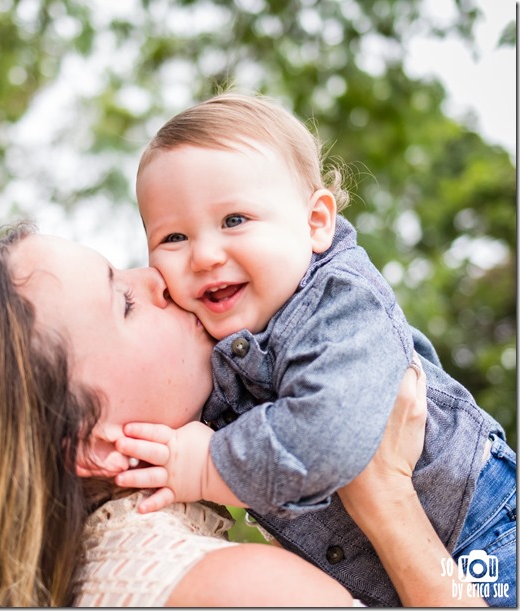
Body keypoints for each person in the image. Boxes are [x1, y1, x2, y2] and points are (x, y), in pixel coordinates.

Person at [0, 225, 485, 607]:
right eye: (122, 301)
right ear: (94, 443)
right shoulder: (240, 592)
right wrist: (388, 502)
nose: (158, 278)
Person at [117, 91, 516, 606]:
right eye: (173, 237)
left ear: (315, 223)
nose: (206, 255)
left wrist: (204, 466)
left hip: (481, 533)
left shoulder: (342, 302)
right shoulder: (210, 336)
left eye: (234, 220)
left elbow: (328, 435)